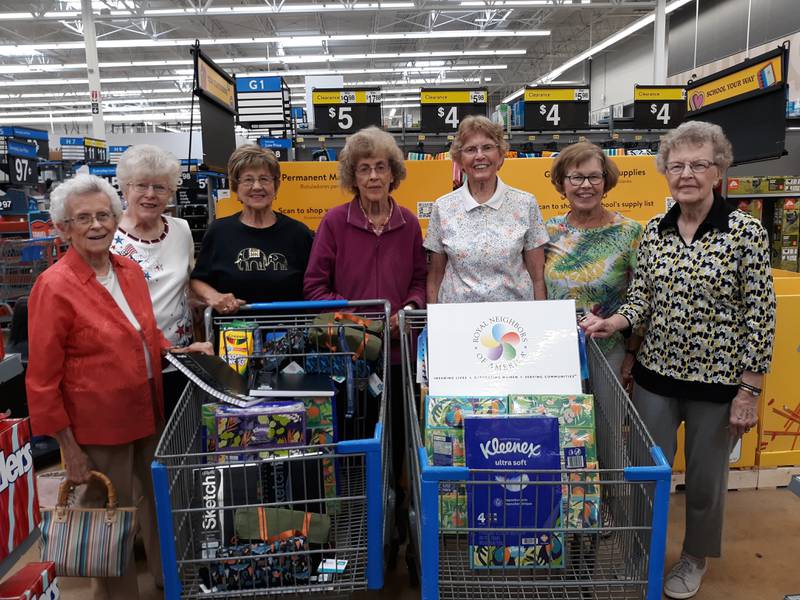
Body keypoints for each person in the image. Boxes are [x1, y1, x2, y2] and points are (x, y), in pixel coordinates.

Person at [581, 121, 776, 600]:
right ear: (665, 172)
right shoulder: (655, 231)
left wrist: (748, 392)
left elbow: (761, 313)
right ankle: (640, 551)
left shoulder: (744, 231)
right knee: (647, 474)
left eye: (699, 164)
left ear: (718, 170)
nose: (687, 173)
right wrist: (614, 323)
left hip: (718, 383)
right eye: (677, 165)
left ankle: (694, 557)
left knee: (707, 481)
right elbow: (642, 298)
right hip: (655, 379)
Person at [26, 174, 212, 600]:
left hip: (147, 407)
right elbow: (41, 380)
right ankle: (118, 594)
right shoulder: (53, 287)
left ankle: (172, 583)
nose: (96, 225)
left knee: (158, 503)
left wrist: (179, 350)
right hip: (97, 427)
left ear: (115, 219)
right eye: (83, 218)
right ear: (63, 228)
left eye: (104, 215)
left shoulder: (127, 269)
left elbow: (144, 334)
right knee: (110, 519)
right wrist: (67, 447)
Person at [303, 125, 426, 562]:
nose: (373, 176)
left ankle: (395, 530)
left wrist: (407, 308)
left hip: (397, 359)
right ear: (352, 177)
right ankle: (359, 532)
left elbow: (418, 281)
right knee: (354, 450)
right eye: (364, 169)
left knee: (399, 451)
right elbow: (315, 287)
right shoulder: (336, 221)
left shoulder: (409, 222)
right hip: (349, 362)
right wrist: (362, 320)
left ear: (394, 173)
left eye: (381, 168)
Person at [545, 142, 643, 380]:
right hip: (555, 351)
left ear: (605, 181)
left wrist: (631, 354)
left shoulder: (630, 232)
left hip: (609, 353)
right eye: (576, 177)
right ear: (562, 183)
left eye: (594, 177)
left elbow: (642, 297)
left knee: (607, 417)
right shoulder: (549, 230)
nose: (585, 185)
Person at [425, 115, 549, 304]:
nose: (479, 155)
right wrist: (433, 324)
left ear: (500, 157)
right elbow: (435, 277)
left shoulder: (525, 203)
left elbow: (538, 277)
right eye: (470, 149)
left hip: (514, 322)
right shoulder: (442, 207)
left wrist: (541, 321)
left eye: (488, 147)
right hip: (458, 322)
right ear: (459, 160)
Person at [113, 144, 194, 418]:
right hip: (128, 366)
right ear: (125, 188)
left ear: (171, 192)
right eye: (141, 186)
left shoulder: (181, 230)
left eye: (160, 187)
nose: (150, 195)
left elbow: (189, 283)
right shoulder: (108, 237)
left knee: (179, 440)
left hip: (179, 360)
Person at [190, 144, 314, 313]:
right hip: (234, 334)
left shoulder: (299, 234)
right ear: (236, 187)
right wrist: (213, 296)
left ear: (276, 186)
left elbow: (316, 283)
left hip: (290, 334)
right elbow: (198, 279)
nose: (256, 186)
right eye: (248, 180)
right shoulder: (219, 232)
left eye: (264, 179)